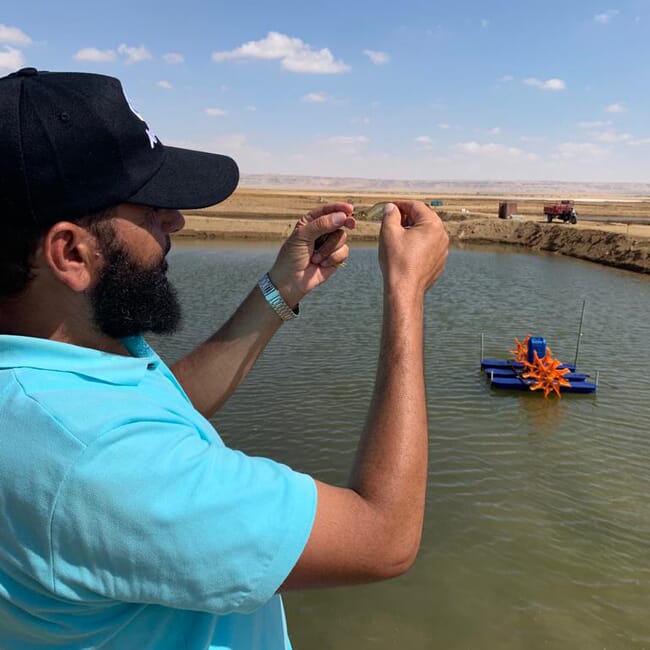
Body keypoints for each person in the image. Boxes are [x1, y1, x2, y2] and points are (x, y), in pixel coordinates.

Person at [0, 68, 449, 650]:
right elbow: (384, 537)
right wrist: (405, 292)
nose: (175, 221)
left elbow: (166, 407)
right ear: (71, 252)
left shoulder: (49, 373)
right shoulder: (97, 462)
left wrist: (280, 291)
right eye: (151, 209)